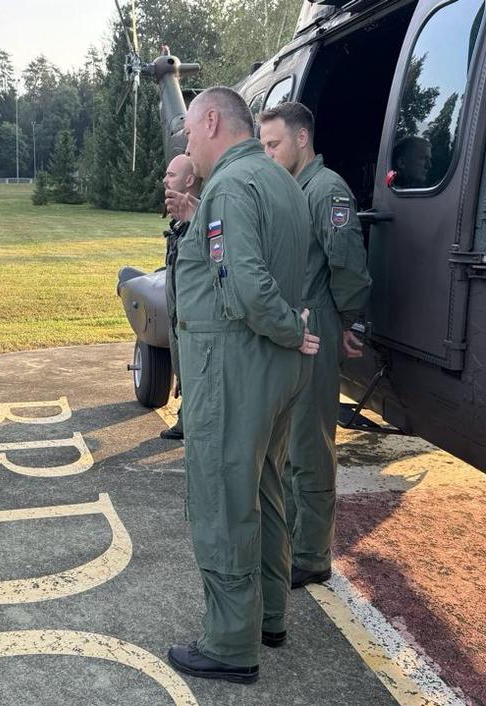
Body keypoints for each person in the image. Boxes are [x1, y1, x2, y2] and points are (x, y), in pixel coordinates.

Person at [163, 87, 320, 684]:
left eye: (188, 134)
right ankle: (269, 617)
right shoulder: (280, 177)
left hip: (233, 368)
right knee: (269, 490)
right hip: (273, 374)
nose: (187, 146)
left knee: (225, 500)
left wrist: (287, 329)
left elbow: (247, 285)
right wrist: (292, 334)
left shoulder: (229, 186)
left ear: (210, 121)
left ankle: (231, 644)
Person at [259, 102, 372, 589]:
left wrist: (351, 321)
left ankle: (311, 553)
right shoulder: (292, 188)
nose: (267, 153)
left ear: (301, 139)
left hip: (317, 325)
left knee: (310, 444)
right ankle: (291, 541)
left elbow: (347, 263)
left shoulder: (327, 191)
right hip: (293, 326)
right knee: (285, 443)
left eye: (273, 144)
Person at [160, 153, 201, 441]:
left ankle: (191, 420)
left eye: (171, 175)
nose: (165, 180)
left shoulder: (202, 220)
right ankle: (187, 414)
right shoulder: (181, 224)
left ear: (189, 180)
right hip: (178, 315)